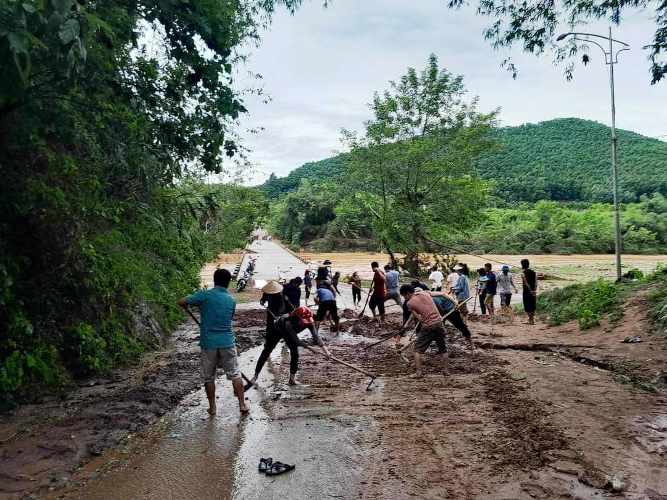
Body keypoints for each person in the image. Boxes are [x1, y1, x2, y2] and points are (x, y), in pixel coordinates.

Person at [178, 268, 247, 416]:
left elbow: (181, 301)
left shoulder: (205, 296)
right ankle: (242, 404)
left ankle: (213, 407)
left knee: (209, 377)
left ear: (215, 280)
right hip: (227, 341)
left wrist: (187, 305)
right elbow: (229, 317)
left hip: (209, 343)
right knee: (235, 373)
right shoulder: (231, 300)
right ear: (228, 283)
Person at [249, 306, 330, 387]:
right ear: (297, 318)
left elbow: (316, 336)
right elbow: (297, 341)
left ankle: (292, 379)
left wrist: (326, 351)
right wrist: (310, 348)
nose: (306, 323)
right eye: (303, 321)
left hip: (290, 333)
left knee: (295, 354)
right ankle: (255, 376)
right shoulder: (288, 322)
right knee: (267, 351)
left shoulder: (309, 319)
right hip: (278, 329)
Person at [399, 285, 448, 378]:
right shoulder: (425, 293)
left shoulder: (409, 303)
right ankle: (446, 371)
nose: (404, 298)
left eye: (404, 296)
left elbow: (419, 319)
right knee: (443, 349)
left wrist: (407, 325)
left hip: (428, 326)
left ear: (408, 293)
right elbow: (440, 294)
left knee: (417, 350)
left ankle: (419, 373)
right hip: (439, 323)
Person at [521, 259, 538, 325]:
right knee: (532, 305)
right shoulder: (534, 272)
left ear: (522, 265)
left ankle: (531, 320)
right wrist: (534, 290)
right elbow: (536, 282)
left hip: (527, 291)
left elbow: (526, 283)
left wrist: (530, 290)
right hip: (533, 291)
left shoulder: (523, 273)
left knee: (527, 305)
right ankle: (531, 320)